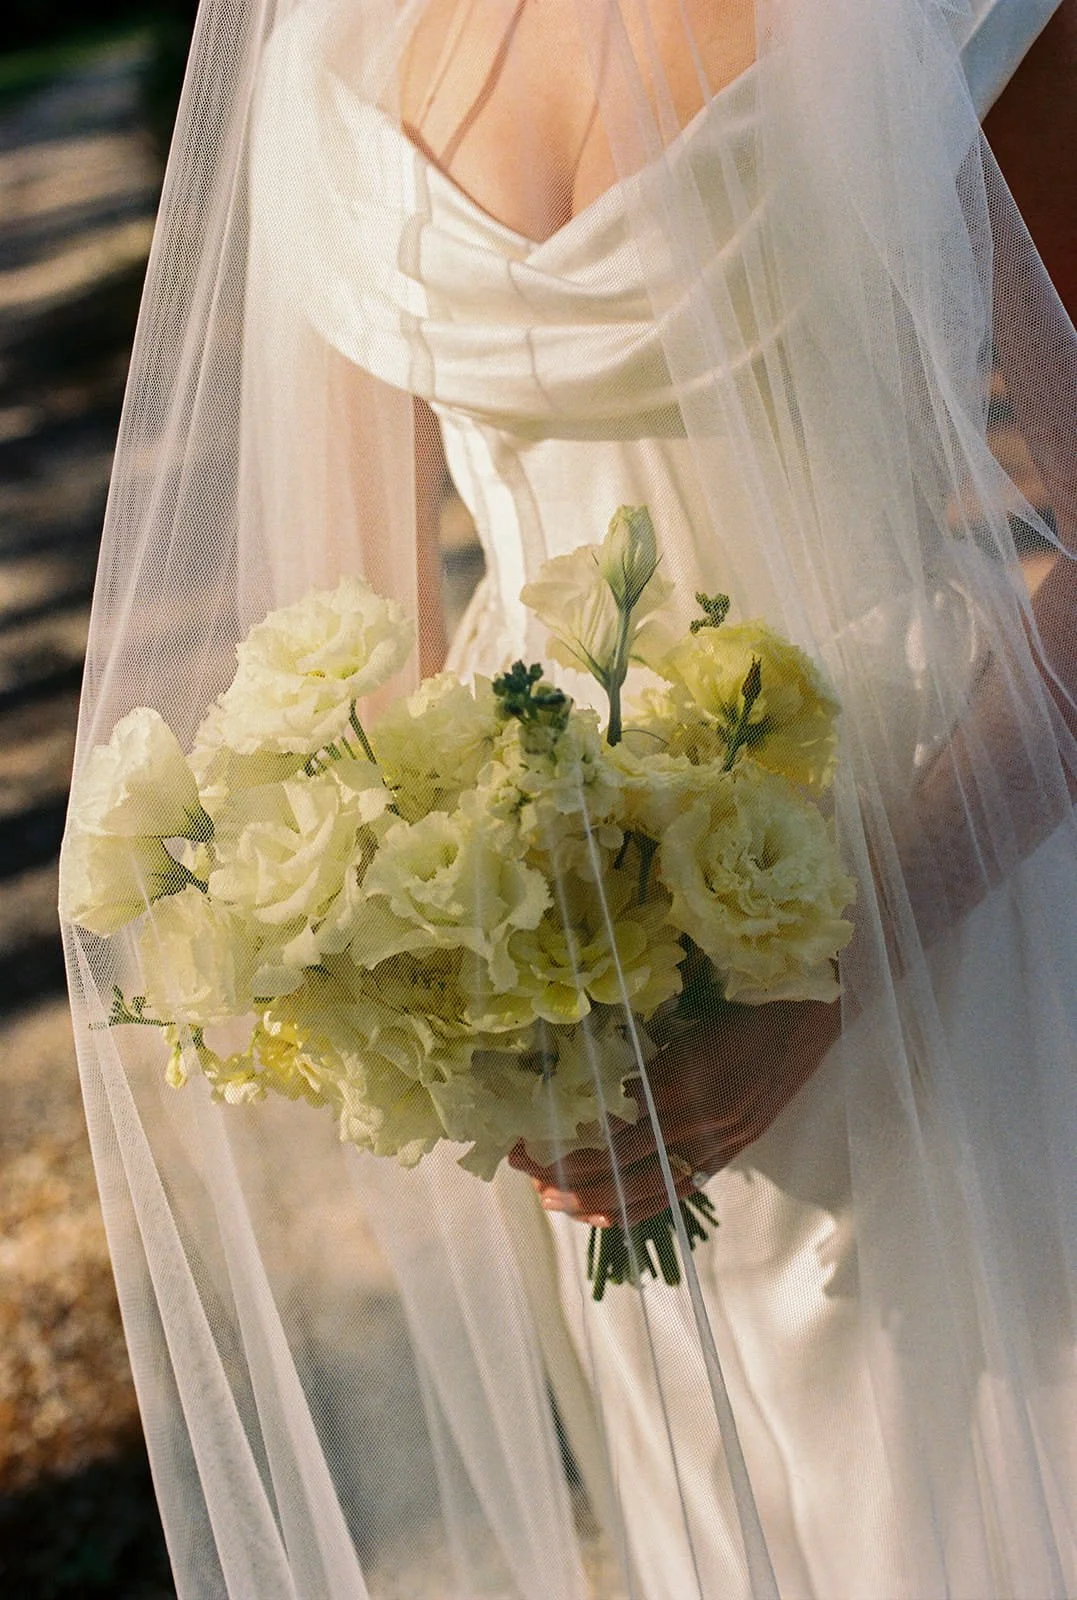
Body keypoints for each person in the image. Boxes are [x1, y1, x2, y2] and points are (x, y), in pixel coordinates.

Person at [61, 2, 1077, 1596]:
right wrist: (447, 985)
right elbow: (352, 691)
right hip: (577, 951)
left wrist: (822, 990)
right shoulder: (335, 66)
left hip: (941, 877)